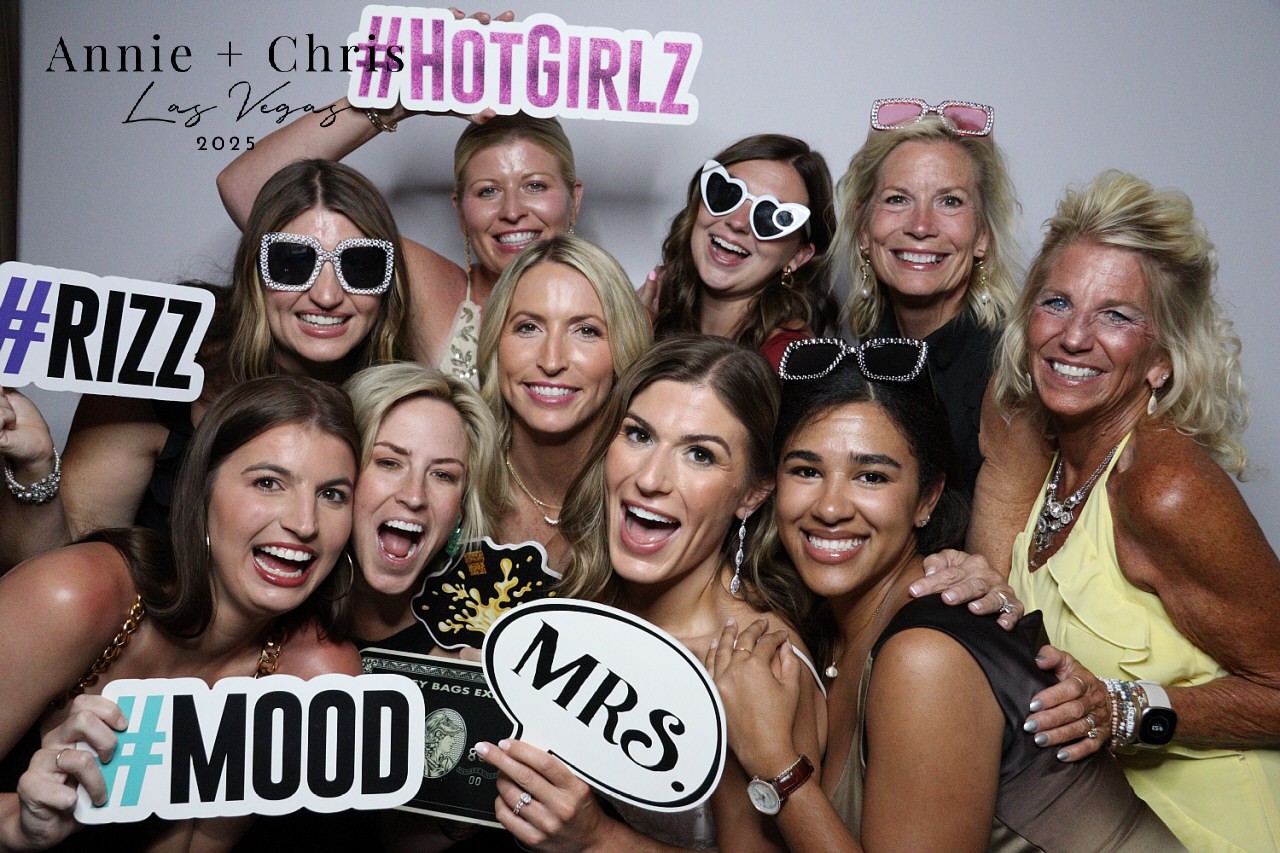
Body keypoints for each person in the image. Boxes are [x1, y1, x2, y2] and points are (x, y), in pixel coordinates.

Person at [471, 337, 1018, 851]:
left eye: (700, 454)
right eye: (638, 435)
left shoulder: (758, 661)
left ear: (754, 492)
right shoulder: (830, 620)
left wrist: (598, 840)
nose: (651, 478)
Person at [706, 337, 1183, 852]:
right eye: (806, 471)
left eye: (871, 476)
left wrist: (776, 762)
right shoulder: (827, 630)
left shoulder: (925, 658)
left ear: (927, 499)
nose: (830, 507)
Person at [975, 170, 1280, 851]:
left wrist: (1126, 707)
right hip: (1098, 829)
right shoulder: (1045, 453)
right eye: (1057, 302)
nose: (1073, 337)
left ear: (1161, 360)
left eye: (1116, 315)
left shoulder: (1163, 485)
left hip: (1214, 833)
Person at [0, 375, 364, 851]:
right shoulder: (73, 594)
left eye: (333, 494)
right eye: (268, 483)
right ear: (202, 491)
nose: (304, 523)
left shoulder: (314, 677)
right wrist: (16, 827)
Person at [0, 158, 411, 568]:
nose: (326, 295)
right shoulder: (164, 353)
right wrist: (36, 467)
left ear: (388, 282)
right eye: (293, 262)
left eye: (360, 267)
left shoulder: (406, 406)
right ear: (254, 270)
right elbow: (56, 569)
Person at [216, 38, 582, 380]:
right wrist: (395, 98)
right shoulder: (430, 288)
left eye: (535, 186)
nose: (512, 211)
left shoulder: (608, 303)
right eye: (488, 191)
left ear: (574, 200)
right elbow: (249, 189)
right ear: (460, 211)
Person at [833, 98, 1021, 493]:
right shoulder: (859, 359)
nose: (921, 226)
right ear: (863, 229)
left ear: (983, 235)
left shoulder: (1013, 374)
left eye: (950, 201)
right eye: (897, 199)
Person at [476, 234, 650, 568]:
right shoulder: (451, 472)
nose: (552, 361)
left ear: (623, 348)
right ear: (495, 341)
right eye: (528, 327)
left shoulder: (649, 492)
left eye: (586, 331)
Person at [646, 135, 837, 370]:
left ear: (798, 256)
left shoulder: (790, 363)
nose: (737, 222)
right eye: (727, 194)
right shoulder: (653, 320)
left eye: (771, 217)